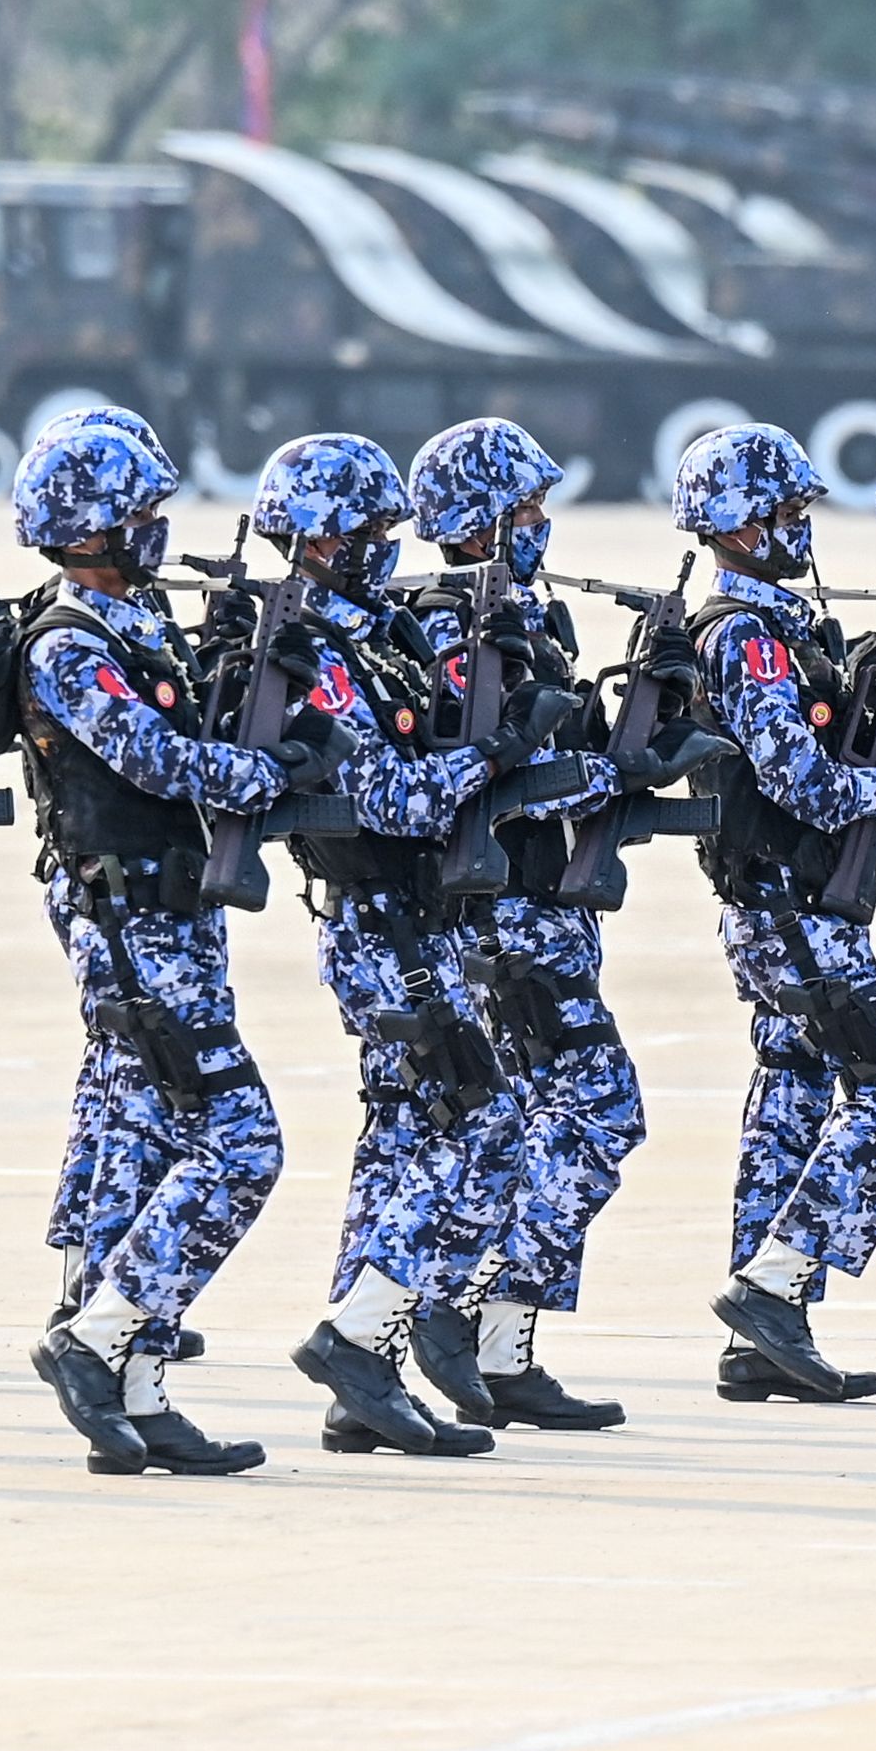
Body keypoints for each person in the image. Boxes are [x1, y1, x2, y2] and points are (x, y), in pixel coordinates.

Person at [14, 421, 316, 1476]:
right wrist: (267, 774)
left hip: (172, 915)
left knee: (148, 1151)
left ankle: (140, 1393)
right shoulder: (64, 644)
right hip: (127, 923)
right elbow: (149, 758)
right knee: (241, 1143)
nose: (157, 533)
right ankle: (94, 1345)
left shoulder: (134, 622)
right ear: (89, 529)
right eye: (139, 518)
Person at [243, 434, 535, 1459]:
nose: (382, 547)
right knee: (487, 1127)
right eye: (364, 531)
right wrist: (493, 754)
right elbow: (392, 796)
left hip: (411, 922)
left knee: (404, 1141)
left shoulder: (366, 633)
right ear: (315, 539)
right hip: (383, 926)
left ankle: (360, 1379)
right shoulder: (309, 649)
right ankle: (357, 1339)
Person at [678, 423, 876, 1403]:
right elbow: (796, 778)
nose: (802, 529)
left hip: (772, 903)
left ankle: (763, 1337)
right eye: (786, 515)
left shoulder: (780, 624)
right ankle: (772, 1287)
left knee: (791, 1097)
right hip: (792, 905)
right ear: (739, 527)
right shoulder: (745, 634)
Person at [405, 415, 645, 1430]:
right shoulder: (452, 624)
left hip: (543, 909)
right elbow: (492, 773)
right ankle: (455, 1307)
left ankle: (503, 1341)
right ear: (475, 520)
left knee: (545, 1121)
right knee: (598, 1110)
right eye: (524, 508)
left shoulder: (519, 612)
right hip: (500, 914)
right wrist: (609, 769)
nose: (542, 523)